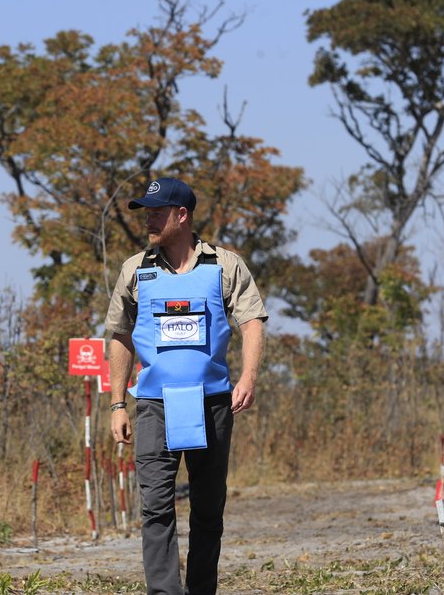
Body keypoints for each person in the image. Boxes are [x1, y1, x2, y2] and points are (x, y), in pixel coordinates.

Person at [106, 177, 266, 595]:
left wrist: (248, 376)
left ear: (183, 215)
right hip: (154, 407)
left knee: (208, 510)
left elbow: (252, 322)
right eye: (146, 213)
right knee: (156, 507)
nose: (150, 220)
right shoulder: (135, 270)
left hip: (213, 404)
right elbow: (119, 335)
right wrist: (117, 404)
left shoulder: (224, 265)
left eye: (157, 212)